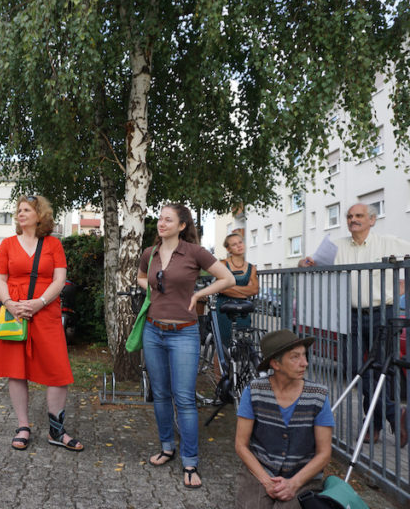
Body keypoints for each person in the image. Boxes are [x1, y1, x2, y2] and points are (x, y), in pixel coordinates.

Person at [136, 203, 235, 488]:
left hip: (183, 333)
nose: (161, 223)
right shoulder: (150, 253)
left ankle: (190, 462)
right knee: (161, 394)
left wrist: (199, 294)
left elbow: (226, 278)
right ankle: (167, 447)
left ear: (182, 225)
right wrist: (150, 290)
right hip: (153, 332)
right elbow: (141, 277)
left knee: (185, 399)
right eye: (159, 218)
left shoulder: (194, 252)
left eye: (168, 219)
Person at [298, 203, 408, 447]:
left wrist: (403, 285)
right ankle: (394, 414)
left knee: (380, 370)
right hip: (352, 315)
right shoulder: (337, 247)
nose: (352, 220)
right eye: (349, 216)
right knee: (356, 368)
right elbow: (313, 263)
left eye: (359, 216)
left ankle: (374, 425)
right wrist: (303, 264)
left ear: (372, 220)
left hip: (383, 313)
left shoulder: (389, 242)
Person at [0, 195, 83, 452]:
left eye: (26, 209)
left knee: (58, 370)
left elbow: (59, 279)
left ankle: (56, 430)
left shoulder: (53, 244)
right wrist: (9, 303)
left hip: (46, 311)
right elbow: (0, 279)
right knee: (16, 370)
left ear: (39, 215)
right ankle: (23, 426)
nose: (20, 214)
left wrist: (39, 302)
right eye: (18, 210)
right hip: (14, 312)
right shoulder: (7, 244)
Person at [235, 329, 335, 508]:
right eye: (295, 357)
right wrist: (266, 481)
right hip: (261, 470)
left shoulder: (318, 396)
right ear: (275, 364)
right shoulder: (254, 391)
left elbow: (324, 453)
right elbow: (241, 445)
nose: (304, 363)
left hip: (303, 475)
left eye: (304, 356)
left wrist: (294, 483)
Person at [216, 233, 259, 349]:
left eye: (240, 242)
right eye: (234, 244)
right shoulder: (223, 264)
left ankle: (239, 367)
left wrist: (231, 287)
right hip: (224, 309)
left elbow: (254, 289)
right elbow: (221, 288)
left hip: (243, 309)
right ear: (228, 249)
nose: (239, 246)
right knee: (223, 345)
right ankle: (219, 368)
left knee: (243, 343)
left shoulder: (251, 268)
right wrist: (245, 290)